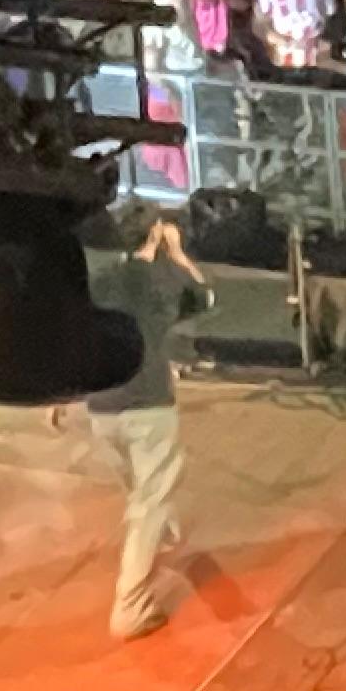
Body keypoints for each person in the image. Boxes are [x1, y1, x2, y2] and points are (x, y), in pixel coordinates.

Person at [79, 203, 209, 637]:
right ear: (154, 234)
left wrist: (62, 396)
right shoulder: (161, 279)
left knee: (141, 487)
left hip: (101, 406)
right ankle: (130, 607)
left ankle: (166, 534)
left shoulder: (98, 283)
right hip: (148, 404)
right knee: (148, 501)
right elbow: (203, 299)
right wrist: (177, 255)